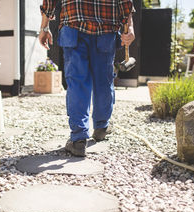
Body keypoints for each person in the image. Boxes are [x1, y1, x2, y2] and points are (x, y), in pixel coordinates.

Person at [39, 0, 135, 157]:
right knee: (103, 82)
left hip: (74, 24)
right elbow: (125, 3)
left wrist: (44, 27)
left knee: (77, 83)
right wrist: (129, 27)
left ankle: (78, 139)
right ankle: (101, 127)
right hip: (106, 27)